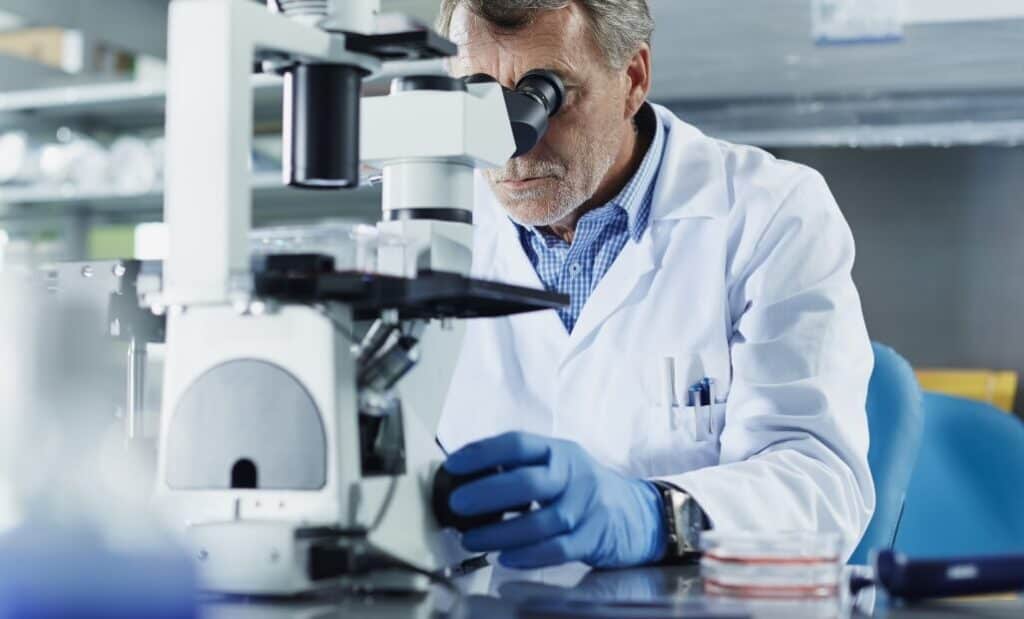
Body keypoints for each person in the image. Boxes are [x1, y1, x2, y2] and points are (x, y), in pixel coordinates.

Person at [435, 0, 875, 570]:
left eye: (546, 95)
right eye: (480, 96)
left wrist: (654, 515)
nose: (514, 143)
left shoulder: (771, 214)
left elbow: (821, 486)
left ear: (633, 79)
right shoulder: (430, 220)